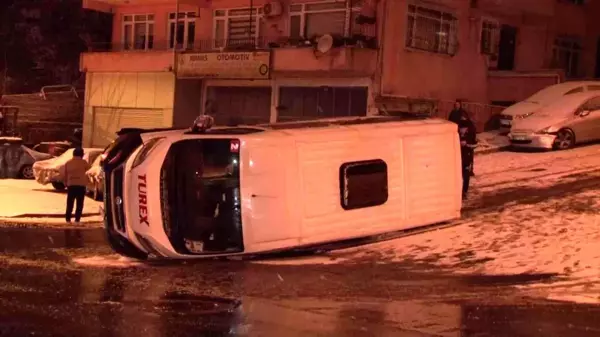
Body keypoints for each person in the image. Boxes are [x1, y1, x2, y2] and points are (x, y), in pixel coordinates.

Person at [63, 147, 90, 223]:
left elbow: (65, 175)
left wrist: (66, 184)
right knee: (79, 204)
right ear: (82, 154)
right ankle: (77, 219)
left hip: (71, 185)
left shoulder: (68, 163)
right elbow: (89, 172)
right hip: (81, 186)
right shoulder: (84, 163)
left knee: (70, 203)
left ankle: (68, 219)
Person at [457, 110, 477, 200]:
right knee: (458, 175)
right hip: (458, 154)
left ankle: (464, 191)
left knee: (465, 175)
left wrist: (467, 144)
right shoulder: (457, 127)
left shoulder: (471, 128)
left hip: (467, 155)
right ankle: (459, 191)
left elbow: (474, 144)